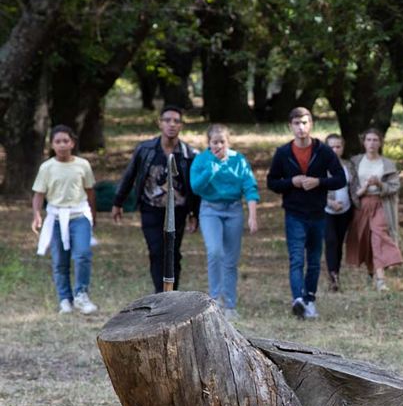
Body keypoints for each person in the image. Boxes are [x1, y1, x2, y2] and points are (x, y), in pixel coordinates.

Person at [266, 107, 346, 319]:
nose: (301, 128)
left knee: (313, 259)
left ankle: (309, 298)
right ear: (290, 126)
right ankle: (297, 300)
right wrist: (291, 182)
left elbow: (340, 179)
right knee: (296, 258)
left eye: (304, 123)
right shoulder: (283, 153)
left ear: (311, 125)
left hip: (318, 212)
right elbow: (272, 182)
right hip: (294, 213)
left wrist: (319, 182)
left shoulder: (323, 151)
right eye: (296, 124)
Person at [112, 105, 198, 293]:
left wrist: (194, 213)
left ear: (181, 126)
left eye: (176, 121)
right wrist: (118, 202)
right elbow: (130, 175)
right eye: (167, 120)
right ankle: (161, 295)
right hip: (151, 208)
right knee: (157, 251)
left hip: (178, 211)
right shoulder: (145, 150)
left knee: (173, 253)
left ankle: (172, 293)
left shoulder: (188, 154)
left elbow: (194, 186)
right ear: (159, 123)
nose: (171, 125)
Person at [189, 124, 259, 319]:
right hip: (210, 209)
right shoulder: (202, 160)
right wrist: (212, 168)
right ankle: (214, 300)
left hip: (234, 210)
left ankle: (229, 304)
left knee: (230, 259)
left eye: (222, 142)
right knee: (215, 251)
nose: (218, 146)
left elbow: (250, 186)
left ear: (228, 143)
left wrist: (253, 215)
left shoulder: (238, 160)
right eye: (214, 142)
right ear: (208, 143)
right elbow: (195, 187)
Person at [32, 125, 98, 315]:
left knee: (82, 255)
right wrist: (37, 215)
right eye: (57, 141)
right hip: (55, 218)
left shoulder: (82, 165)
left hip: (79, 216)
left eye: (65, 141)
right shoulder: (47, 167)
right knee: (60, 261)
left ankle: (81, 295)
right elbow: (38, 194)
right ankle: (64, 299)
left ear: (72, 143)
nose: (62, 145)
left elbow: (90, 191)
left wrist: (93, 215)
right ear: (52, 145)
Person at [346, 127, 403, 291]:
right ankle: (371, 271)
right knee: (366, 238)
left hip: (381, 203)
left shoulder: (387, 164)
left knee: (378, 236)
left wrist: (379, 184)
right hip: (362, 204)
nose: (371, 143)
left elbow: (394, 186)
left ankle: (381, 280)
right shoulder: (356, 161)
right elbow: (351, 186)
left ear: (380, 143)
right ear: (363, 142)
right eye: (368, 140)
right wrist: (362, 190)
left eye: (375, 140)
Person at [323, 133, 354, 292]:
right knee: (331, 241)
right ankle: (332, 275)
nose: (335, 150)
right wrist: (330, 202)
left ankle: (336, 275)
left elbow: (353, 187)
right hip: (326, 210)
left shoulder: (348, 165)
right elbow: (315, 190)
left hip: (345, 210)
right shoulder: (319, 166)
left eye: (338, 147)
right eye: (331, 147)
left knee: (339, 243)